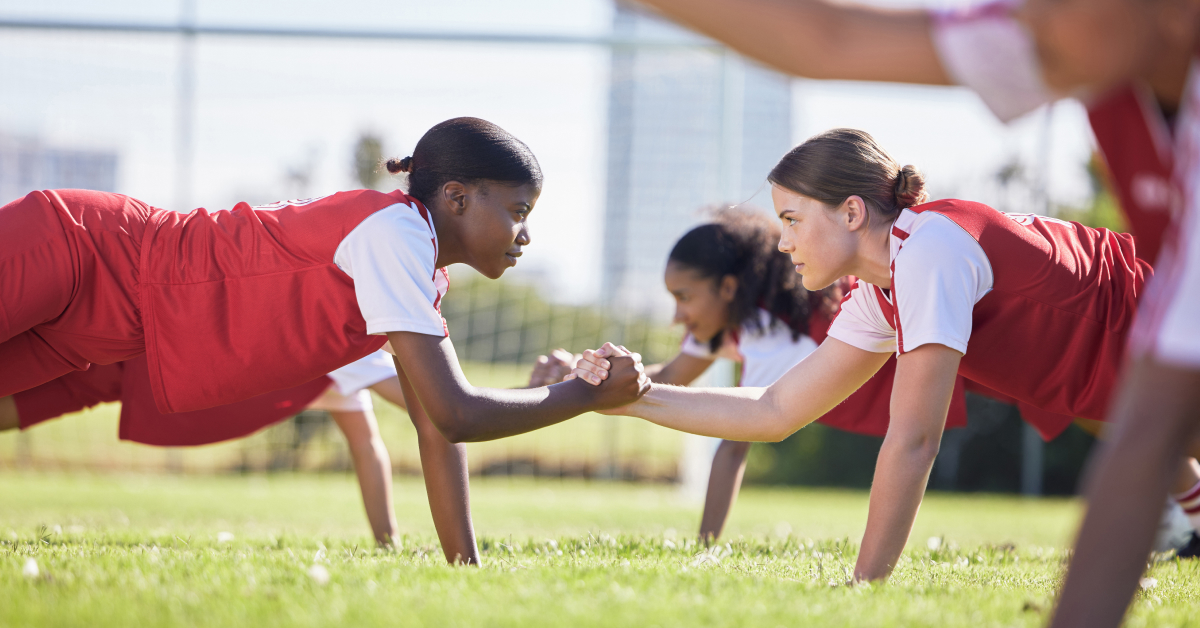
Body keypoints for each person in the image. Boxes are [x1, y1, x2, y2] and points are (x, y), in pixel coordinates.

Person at [0, 116, 650, 561]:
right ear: (455, 198)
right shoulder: (393, 234)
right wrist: (583, 396)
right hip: (82, 249)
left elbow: (437, 427)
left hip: (100, 331)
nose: (525, 235)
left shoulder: (420, 272)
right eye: (517, 212)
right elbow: (457, 412)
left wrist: (465, 570)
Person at [567, 128, 1200, 585]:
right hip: (1138, 385)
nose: (782, 243)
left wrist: (864, 584)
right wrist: (640, 398)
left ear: (850, 212)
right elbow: (775, 407)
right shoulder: (881, 291)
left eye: (791, 220)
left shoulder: (931, 251)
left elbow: (914, 439)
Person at [597, 206, 966, 542]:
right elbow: (671, 376)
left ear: (728, 288)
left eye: (684, 297)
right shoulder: (721, 320)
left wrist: (704, 545)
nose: (677, 316)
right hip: (891, 374)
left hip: (917, 369)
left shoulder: (770, 327)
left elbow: (734, 441)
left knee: (1017, 391)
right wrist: (585, 374)